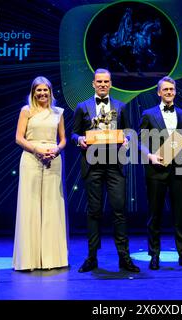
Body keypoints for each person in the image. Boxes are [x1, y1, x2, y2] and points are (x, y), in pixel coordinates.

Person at [71, 68, 140, 273]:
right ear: (93, 84)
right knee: (94, 212)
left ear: (110, 84)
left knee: (119, 212)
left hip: (115, 166)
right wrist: (80, 139)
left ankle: (124, 257)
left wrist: (126, 139)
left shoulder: (121, 106)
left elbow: (129, 131)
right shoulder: (82, 107)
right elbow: (74, 134)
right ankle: (92, 257)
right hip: (92, 165)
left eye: (106, 81)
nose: (102, 84)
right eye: (99, 81)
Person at [139, 76, 182, 270]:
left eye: (171, 89)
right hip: (156, 169)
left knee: (180, 214)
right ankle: (154, 254)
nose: (168, 92)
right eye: (165, 90)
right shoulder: (148, 114)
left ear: (175, 91)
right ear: (159, 92)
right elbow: (139, 142)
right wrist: (150, 156)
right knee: (154, 214)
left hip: (179, 170)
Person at [13, 76, 68, 271]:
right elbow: (19, 138)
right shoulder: (26, 111)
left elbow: (63, 139)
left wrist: (57, 150)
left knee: (52, 204)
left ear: (50, 92)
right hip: (30, 158)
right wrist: (36, 150)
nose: (42, 94)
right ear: (33, 92)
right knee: (31, 204)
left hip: (53, 159)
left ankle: (53, 258)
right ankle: (29, 259)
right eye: (39, 90)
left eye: (46, 90)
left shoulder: (58, 113)